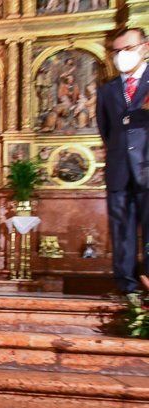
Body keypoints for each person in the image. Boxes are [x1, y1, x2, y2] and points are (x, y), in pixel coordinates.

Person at [97, 27, 149, 304]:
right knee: (122, 229)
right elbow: (106, 129)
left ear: (145, 47)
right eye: (116, 51)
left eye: (127, 49)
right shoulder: (108, 90)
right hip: (118, 170)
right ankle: (127, 288)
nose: (121, 56)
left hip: (147, 167)